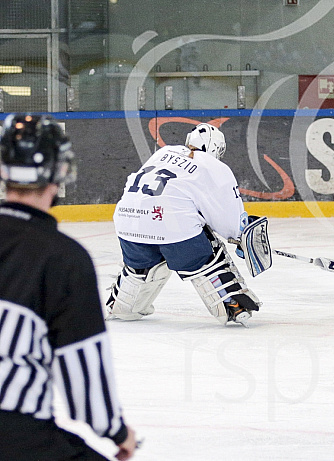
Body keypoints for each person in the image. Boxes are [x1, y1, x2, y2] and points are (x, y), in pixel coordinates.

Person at [0, 114, 137, 460]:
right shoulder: (63, 258)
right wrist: (117, 432)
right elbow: (83, 375)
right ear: (60, 172)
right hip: (14, 432)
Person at [107, 123, 261, 326]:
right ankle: (232, 303)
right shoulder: (214, 166)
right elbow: (228, 218)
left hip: (128, 222)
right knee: (206, 251)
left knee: (140, 263)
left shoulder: (163, 152)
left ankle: (122, 304)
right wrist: (239, 235)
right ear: (217, 148)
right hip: (172, 229)